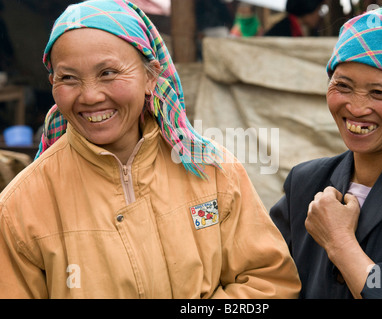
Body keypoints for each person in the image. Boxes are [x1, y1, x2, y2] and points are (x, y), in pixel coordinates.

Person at [0, 0, 301, 298]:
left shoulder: (214, 171)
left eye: (108, 73)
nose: (90, 96)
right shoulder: (19, 208)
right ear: (52, 83)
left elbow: (271, 282)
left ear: (151, 76)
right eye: (68, 78)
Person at [270, 0, 382, 298]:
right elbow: (266, 280)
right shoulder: (306, 183)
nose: (355, 107)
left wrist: (341, 243)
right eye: (342, 86)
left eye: (378, 92)